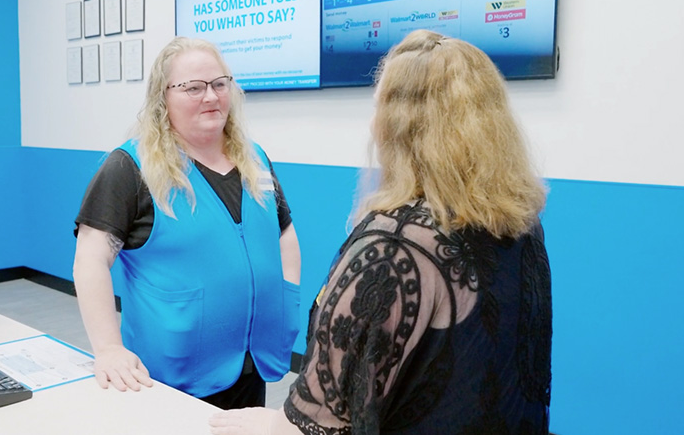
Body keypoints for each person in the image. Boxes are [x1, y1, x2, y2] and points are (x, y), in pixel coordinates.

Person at [209, 29, 552, 434]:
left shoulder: (394, 247)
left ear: (399, 127)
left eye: (378, 107)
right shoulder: (522, 224)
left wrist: (265, 425)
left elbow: (321, 423)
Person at [72, 37, 301, 410]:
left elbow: (284, 230)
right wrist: (109, 348)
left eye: (219, 84)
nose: (210, 97)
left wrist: (287, 300)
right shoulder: (130, 167)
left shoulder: (254, 158)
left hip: (250, 363)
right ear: (162, 98)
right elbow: (90, 260)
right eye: (193, 88)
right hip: (173, 376)